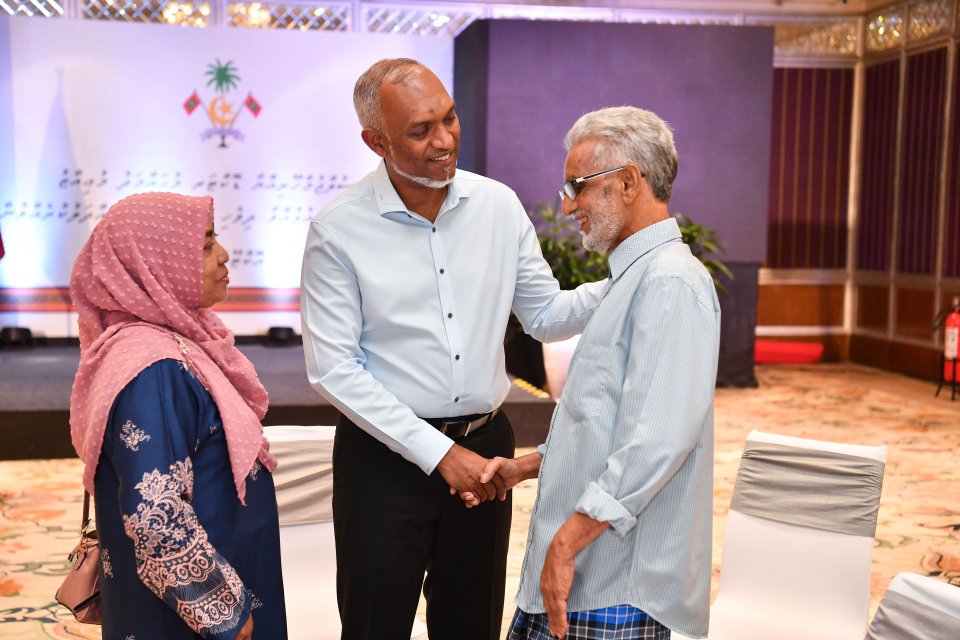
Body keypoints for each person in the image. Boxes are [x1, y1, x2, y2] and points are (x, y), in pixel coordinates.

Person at [299, 58, 607, 640]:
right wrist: (439, 454)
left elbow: (544, 315)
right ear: (376, 141)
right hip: (384, 458)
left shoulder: (498, 205)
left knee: (471, 624)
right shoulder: (338, 229)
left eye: (450, 118)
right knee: (373, 625)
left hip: (487, 454)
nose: (445, 141)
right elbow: (334, 368)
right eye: (421, 130)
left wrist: (629, 275)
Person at [472, 107, 720, 640]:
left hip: (613, 583)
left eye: (577, 186)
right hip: (585, 573)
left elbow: (657, 440)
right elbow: (612, 416)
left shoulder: (670, 282)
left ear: (629, 181)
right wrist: (536, 464)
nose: (567, 205)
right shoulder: (631, 279)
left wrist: (567, 542)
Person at [69, 192, 288, 640]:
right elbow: (154, 514)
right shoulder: (154, 370)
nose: (224, 256)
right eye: (205, 246)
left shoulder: (175, 345)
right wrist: (221, 610)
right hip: (193, 621)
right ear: (154, 263)